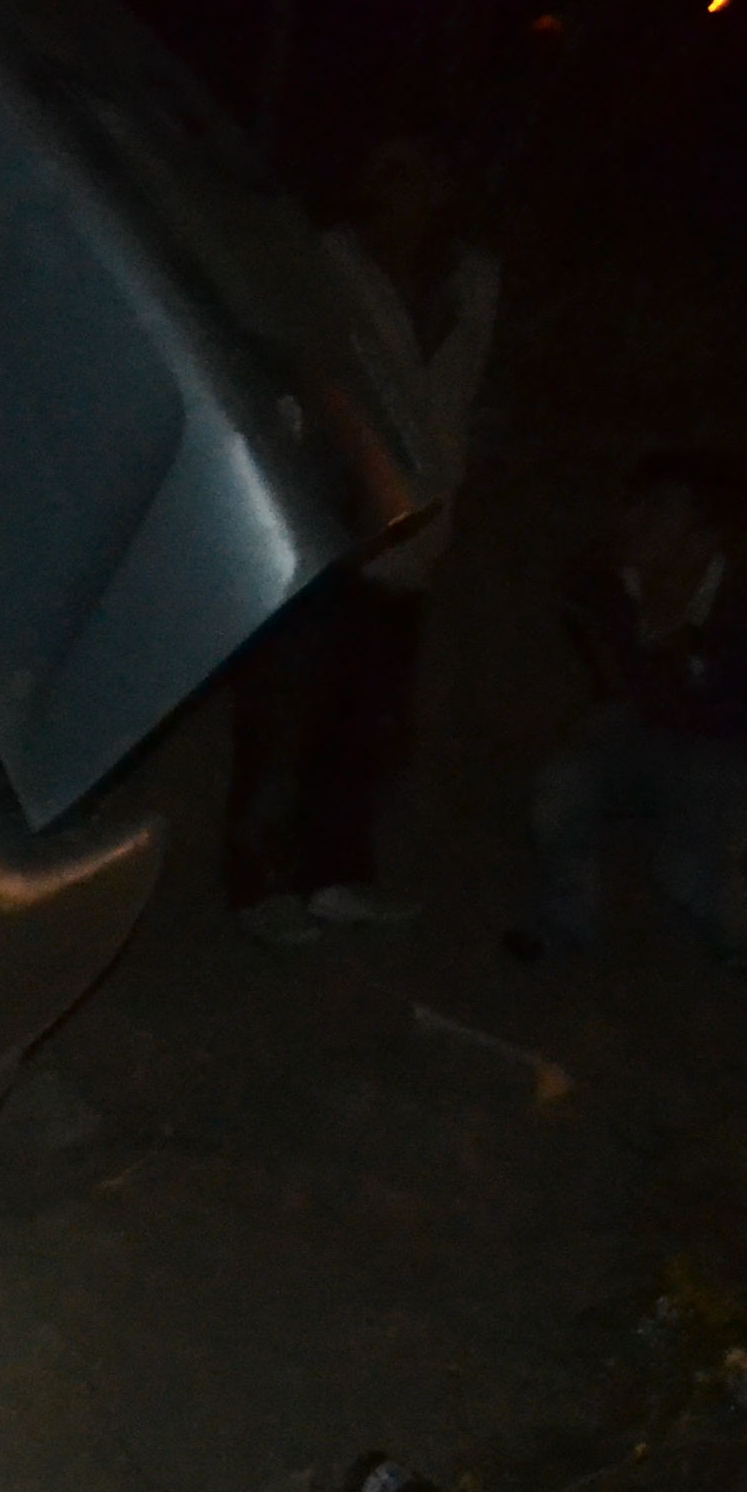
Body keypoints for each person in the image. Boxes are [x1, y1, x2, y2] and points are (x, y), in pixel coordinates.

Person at [225, 135, 500, 947]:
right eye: (392, 175)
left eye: (423, 176)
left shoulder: (473, 281)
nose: (407, 195)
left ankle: (333, 878)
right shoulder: (326, 267)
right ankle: (257, 888)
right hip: (327, 527)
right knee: (283, 716)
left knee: (366, 721)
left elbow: (467, 394)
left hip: (418, 530)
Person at [515, 449, 747, 964]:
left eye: (656, 514)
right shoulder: (602, 579)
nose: (631, 523)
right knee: (561, 787)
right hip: (654, 729)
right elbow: (585, 622)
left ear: (702, 540)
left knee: (686, 868)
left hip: (737, 750)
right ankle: (566, 924)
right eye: (635, 507)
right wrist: (618, 699)